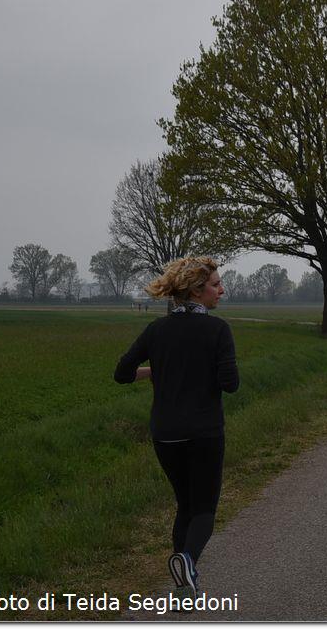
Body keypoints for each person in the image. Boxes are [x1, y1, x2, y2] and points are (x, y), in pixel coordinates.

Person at [114, 256, 238, 599]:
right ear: (197, 291)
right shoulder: (218, 329)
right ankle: (187, 560)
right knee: (204, 509)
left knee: (185, 505)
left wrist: (160, 370)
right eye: (216, 284)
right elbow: (230, 384)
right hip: (204, 432)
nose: (221, 290)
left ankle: (184, 588)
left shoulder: (156, 330)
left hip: (165, 435)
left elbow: (122, 374)